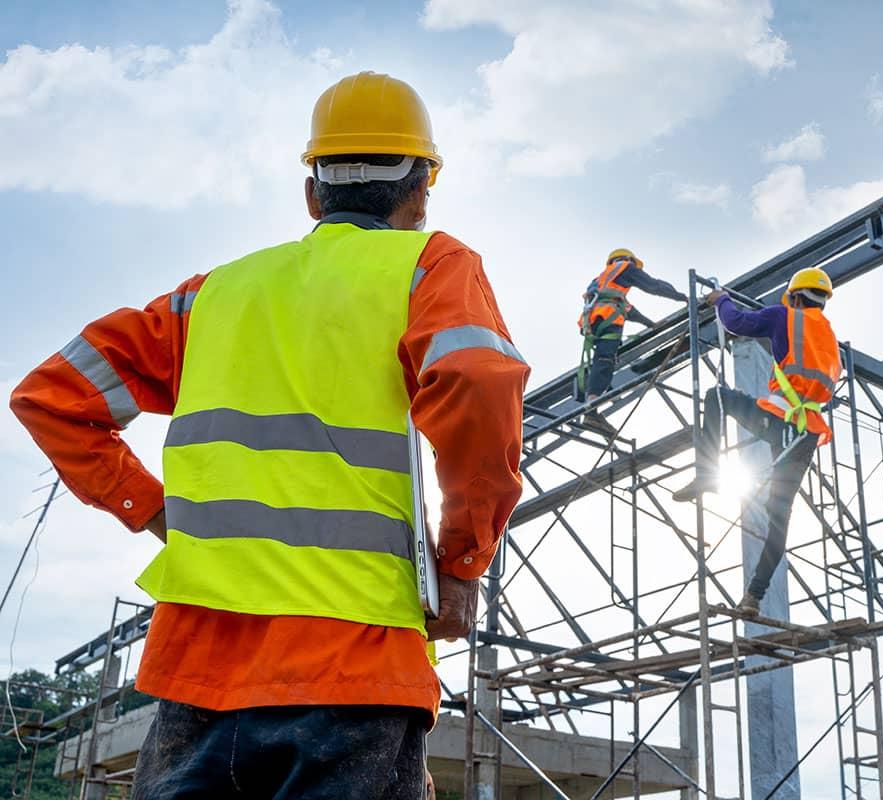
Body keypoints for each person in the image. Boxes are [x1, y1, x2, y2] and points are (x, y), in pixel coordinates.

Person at [10, 71, 529, 799]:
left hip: (196, 676)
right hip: (357, 666)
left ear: (312, 193)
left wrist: (155, 511)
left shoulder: (212, 294)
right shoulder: (432, 266)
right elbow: (477, 381)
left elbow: (51, 395)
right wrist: (465, 561)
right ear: (420, 191)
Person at [672, 268, 840, 616]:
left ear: (795, 296)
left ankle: (707, 474)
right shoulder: (828, 337)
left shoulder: (784, 316)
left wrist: (722, 300)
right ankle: (753, 598)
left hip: (779, 418)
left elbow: (737, 324)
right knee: (780, 517)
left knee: (716, 397)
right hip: (806, 433)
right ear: (822, 301)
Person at [576, 248, 685, 434]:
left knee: (602, 358)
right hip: (609, 318)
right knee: (605, 359)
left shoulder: (601, 281)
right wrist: (684, 297)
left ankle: (591, 406)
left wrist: (650, 324)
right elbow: (653, 286)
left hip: (594, 322)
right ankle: (592, 409)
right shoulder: (626, 267)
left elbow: (628, 309)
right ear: (627, 260)